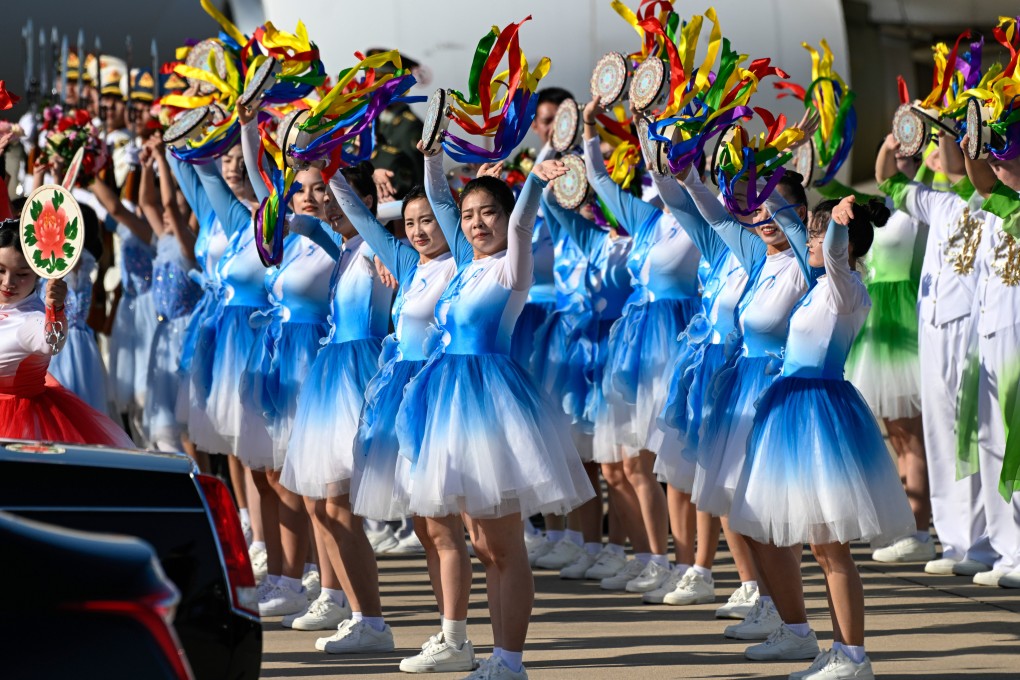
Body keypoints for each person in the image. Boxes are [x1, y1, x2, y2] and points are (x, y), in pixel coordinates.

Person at [399, 155, 593, 679]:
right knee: (483, 546)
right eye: (468, 215)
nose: (476, 224)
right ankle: (491, 655)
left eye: (488, 213)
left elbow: (526, 219)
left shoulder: (513, 264)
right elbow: (438, 198)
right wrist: (431, 153)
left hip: (489, 406)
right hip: (448, 403)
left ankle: (510, 660)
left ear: (505, 219)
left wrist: (532, 180)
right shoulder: (465, 268)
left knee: (502, 545)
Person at [729, 195, 914, 680]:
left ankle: (853, 656)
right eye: (810, 233)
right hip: (794, 408)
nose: (809, 242)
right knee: (819, 546)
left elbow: (832, 253)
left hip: (819, 414)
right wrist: (762, 184)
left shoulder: (845, 287)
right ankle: (837, 650)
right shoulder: (818, 289)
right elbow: (802, 237)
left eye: (818, 234)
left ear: (846, 242)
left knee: (832, 547)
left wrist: (832, 225)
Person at [876, 132, 997, 578]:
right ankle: (955, 542)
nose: (946, 152)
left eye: (956, 145)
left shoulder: (992, 205)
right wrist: (893, 144)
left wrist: (960, 145)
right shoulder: (936, 203)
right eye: (943, 143)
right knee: (942, 437)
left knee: (976, 439)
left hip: (971, 334)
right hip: (932, 332)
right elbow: (886, 180)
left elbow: (964, 168)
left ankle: (988, 542)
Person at [852, 138, 933, 564]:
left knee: (910, 433)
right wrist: (886, 143)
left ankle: (920, 529)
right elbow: (883, 172)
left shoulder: (923, 200)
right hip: (876, 322)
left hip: (901, 318)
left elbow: (899, 175)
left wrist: (923, 150)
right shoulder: (884, 201)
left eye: (909, 151)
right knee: (896, 435)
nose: (900, 157)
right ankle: (907, 526)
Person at [0, 219, 133, 448]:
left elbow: (52, 342)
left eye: (22, 274)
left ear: (37, 273)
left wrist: (55, 309)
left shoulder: (32, 319)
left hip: (18, 429)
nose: (8, 282)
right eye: (0, 270)